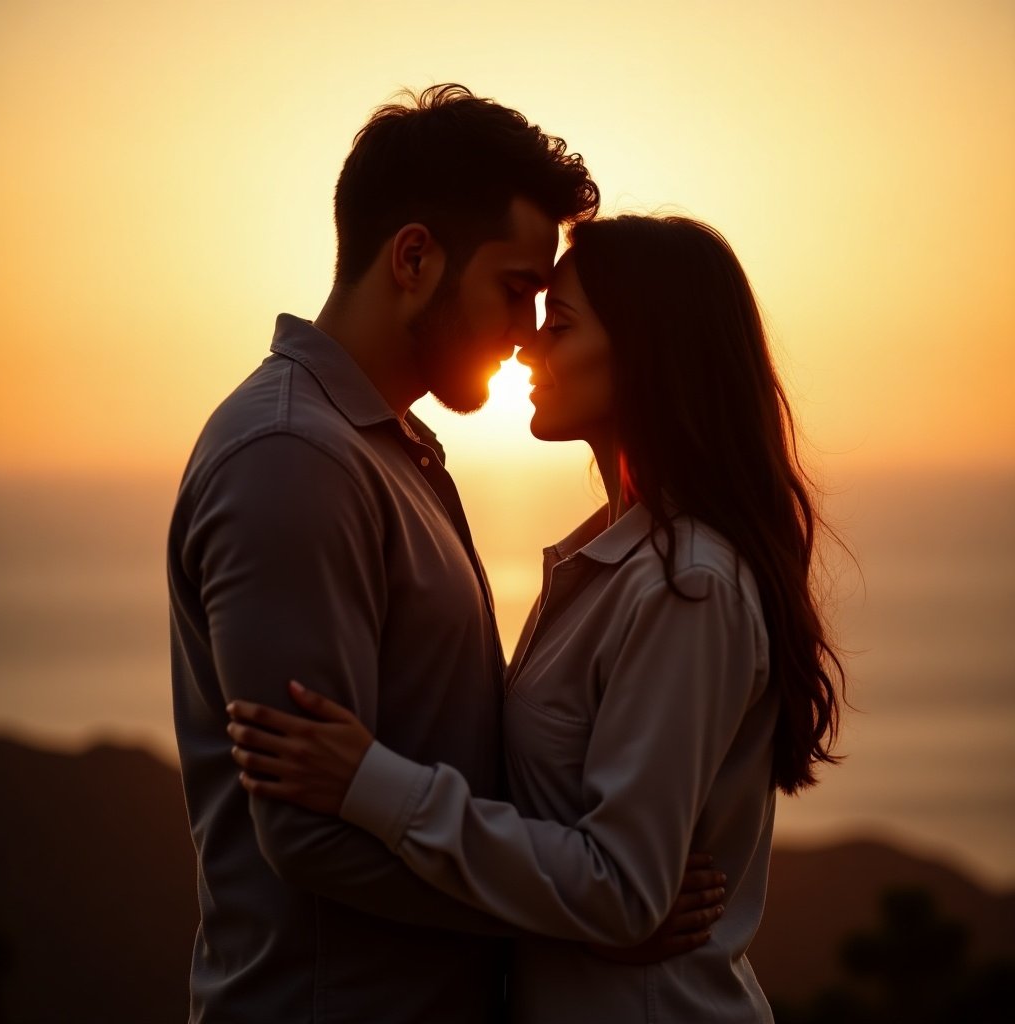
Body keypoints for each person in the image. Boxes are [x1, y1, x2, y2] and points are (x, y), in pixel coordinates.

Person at [168, 86, 721, 1024]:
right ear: (415, 258)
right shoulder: (294, 459)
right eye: (515, 289)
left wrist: (592, 889)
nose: (526, 332)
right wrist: (591, 912)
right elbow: (307, 832)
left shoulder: (389, 451)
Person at [226, 214, 847, 1021]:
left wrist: (369, 782)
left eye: (559, 323)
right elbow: (598, 873)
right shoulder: (612, 565)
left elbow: (623, 890)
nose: (527, 344)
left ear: (647, 353)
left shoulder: (687, 588)